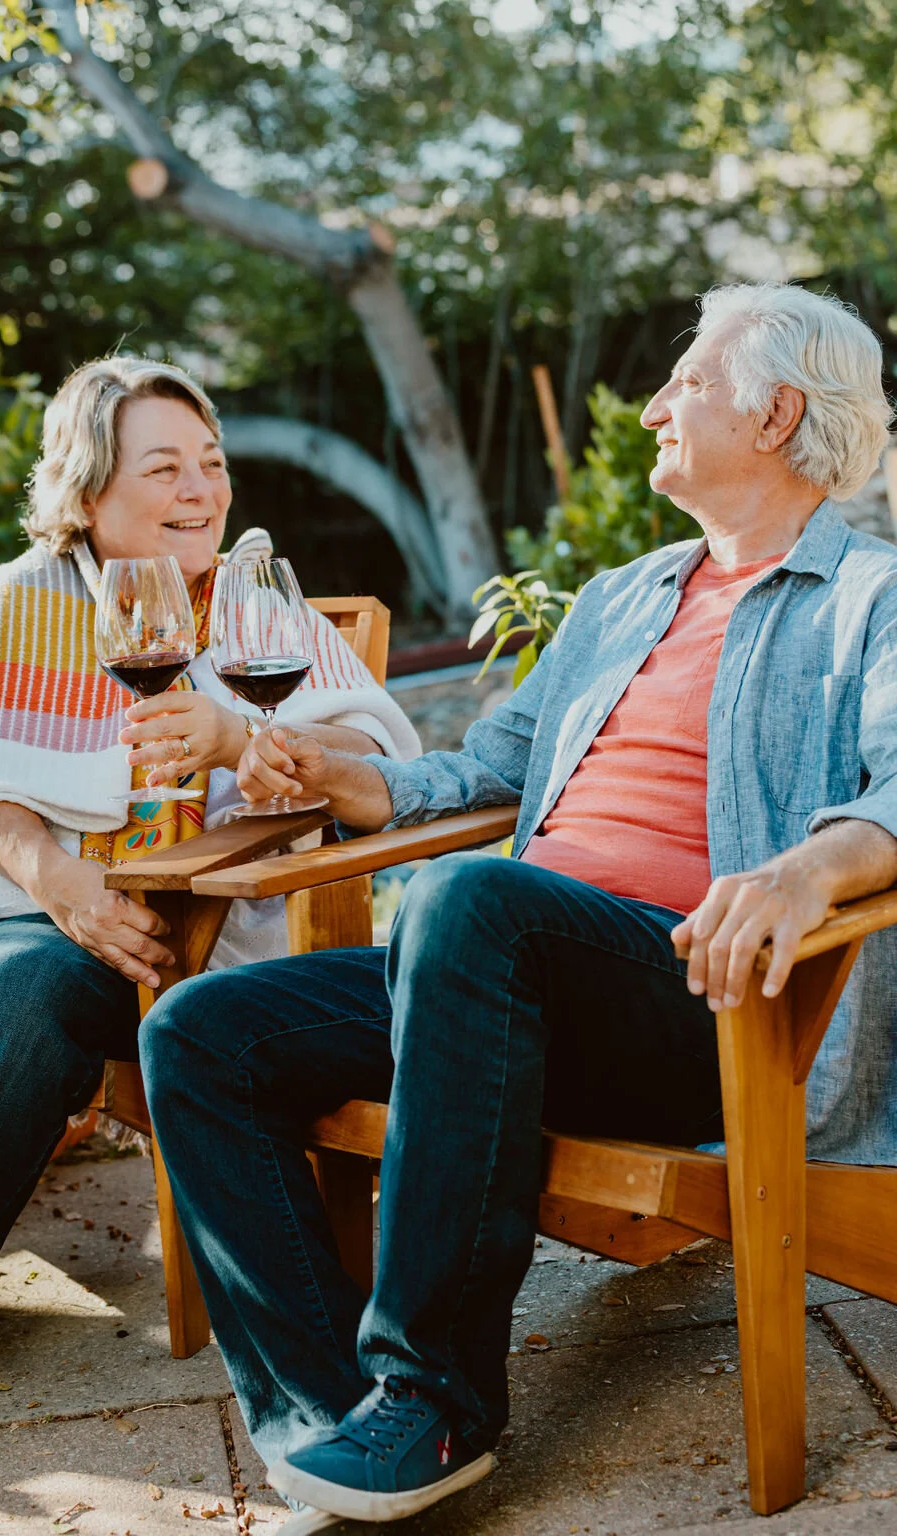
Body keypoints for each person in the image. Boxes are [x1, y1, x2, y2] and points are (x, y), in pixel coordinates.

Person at [139, 283, 897, 1532]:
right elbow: (477, 774)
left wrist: (806, 869)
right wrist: (351, 779)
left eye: (687, 384)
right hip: (489, 981)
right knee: (200, 1035)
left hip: (707, 1000)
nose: (654, 407)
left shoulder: (870, 597)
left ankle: (433, 1400)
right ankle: (331, 1423)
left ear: (772, 414)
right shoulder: (623, 597)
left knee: (472, 901)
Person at [0, 356, 419, 1456]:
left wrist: (273, 753)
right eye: (163, 467)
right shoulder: (12, 603)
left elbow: (367, 743)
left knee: (18, 993)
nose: (201, 489)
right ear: (84, 496)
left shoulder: (255, 607)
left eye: (211, 464)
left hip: (97, 939)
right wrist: (49, 871)